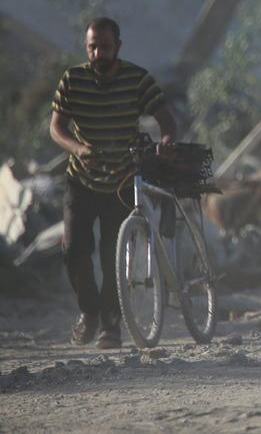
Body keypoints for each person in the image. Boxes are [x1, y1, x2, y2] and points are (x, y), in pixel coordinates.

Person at [49, 18, 177, 349]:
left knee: (112, 257)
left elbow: (166, 119)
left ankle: (111, 327)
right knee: (74, 249)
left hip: (121, 180)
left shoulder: (137, 79)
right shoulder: (73, 80)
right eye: (92, 47)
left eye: (104, 47)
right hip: (81, 179)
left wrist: (167, 141)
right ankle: (88, 311)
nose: (98, 54)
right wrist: (78, 148)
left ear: (118, 46)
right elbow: (56, 128)